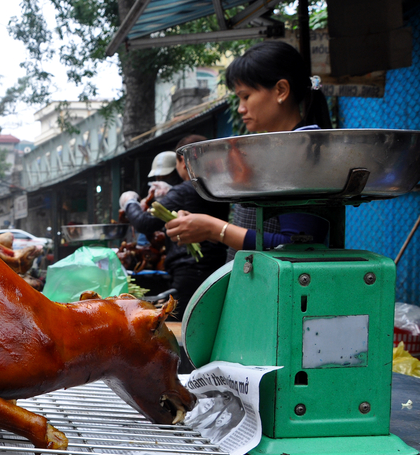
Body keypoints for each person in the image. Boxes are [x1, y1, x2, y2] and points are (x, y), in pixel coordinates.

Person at [166, 41, 331, 260]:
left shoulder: (302, 149)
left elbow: (297, 248)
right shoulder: (275, 148)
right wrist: (200, 226)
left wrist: (215, 229)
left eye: (246, 96)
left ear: (281, 90)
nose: (241, 108)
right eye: (239, 98)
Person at [119, 134, 231, 320]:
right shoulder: (217, 190)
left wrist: (130, 202)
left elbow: (144, 222)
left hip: (188, 272)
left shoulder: (186, 190)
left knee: (183, 327)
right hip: (216, 269)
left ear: (182, 160)